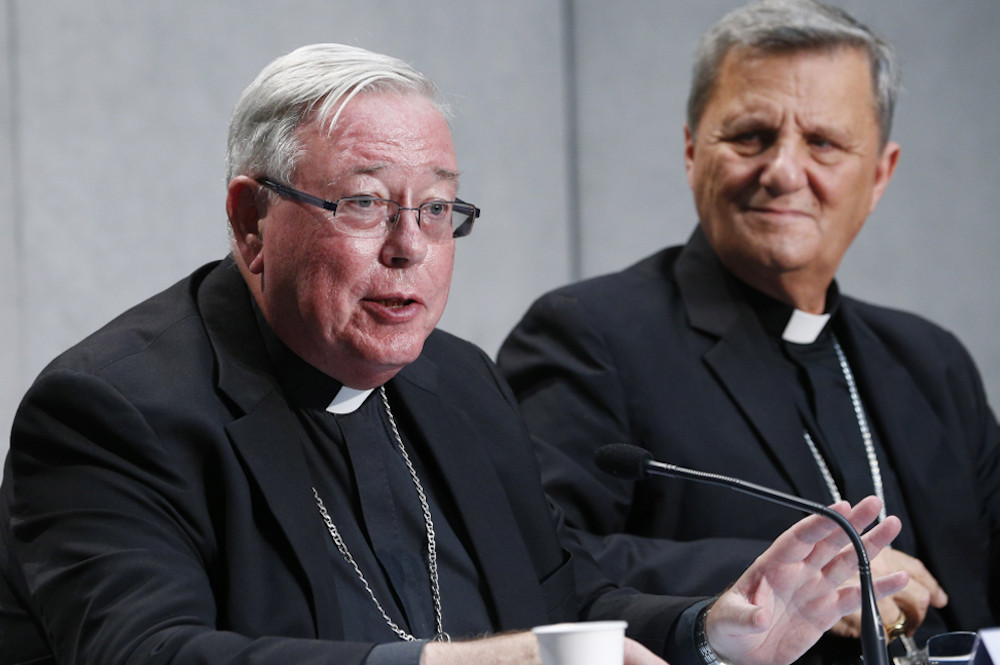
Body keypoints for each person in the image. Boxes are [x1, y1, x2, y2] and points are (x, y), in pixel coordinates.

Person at [0, 42, 904, 665]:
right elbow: (149, 653)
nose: (410, 246)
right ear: (250, 220)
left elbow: (561, 603)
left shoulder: (455, 380)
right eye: (362, 202)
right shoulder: (113, 409)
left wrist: (713, 631)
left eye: (437, 208)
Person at [498, 1, 1000, 663]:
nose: (784, 171)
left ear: (880, 173)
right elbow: (531, 559)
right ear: (690, 150)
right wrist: (795, 578)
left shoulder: (931, 362)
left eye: (823, 142)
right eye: (751, 136)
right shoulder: (592, 335)